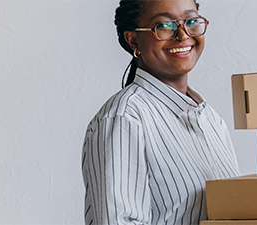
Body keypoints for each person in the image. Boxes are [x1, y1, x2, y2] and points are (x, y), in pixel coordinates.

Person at [81, 0, 241, 224]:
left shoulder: (211, 120)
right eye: (165, 26)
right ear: (133, 40)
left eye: (191, 21)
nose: (183, 35)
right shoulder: (124, 118)